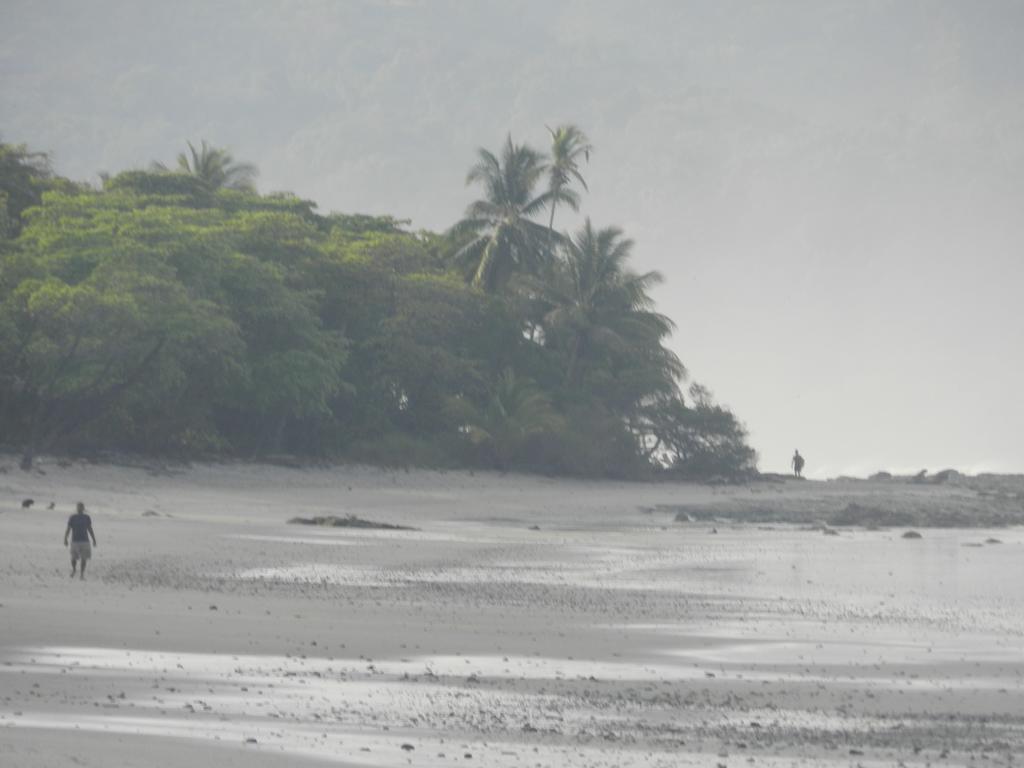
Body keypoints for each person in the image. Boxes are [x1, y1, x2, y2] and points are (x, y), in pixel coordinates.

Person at [64, 502, 97, 580]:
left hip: (85, 541)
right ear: (76, 508)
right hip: (74, 540)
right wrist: (65, 538)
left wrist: (94, 539)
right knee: (73, 558)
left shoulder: (87, 517)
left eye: (81, 507)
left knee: (84, 558)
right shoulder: (72, 517)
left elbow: (90, 529)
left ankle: (82, 574)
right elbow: (68, 529)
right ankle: (74, 570)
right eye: (78, 507)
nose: (80, 508)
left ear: (83, 508)